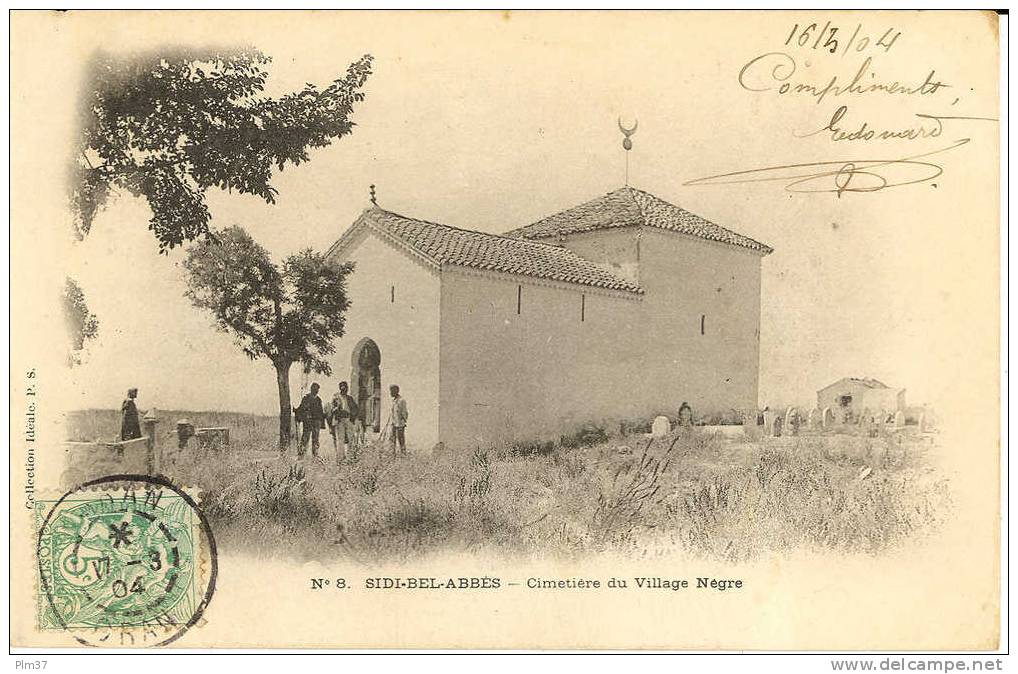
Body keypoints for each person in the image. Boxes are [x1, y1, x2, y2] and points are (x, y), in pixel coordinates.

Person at [330, 381, 360, 463]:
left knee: (351, 438)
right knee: (340, 439)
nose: (344, 389)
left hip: (348, 419)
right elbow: (332, 409)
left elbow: (356, 409)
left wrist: (352, 416)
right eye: (342, 387)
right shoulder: (336, 397)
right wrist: (338, 409)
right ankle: (340, 458)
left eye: (345, 387)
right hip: (339, 420)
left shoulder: (349, 398)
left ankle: (350, 457)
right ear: (340, 388)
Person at [295, 383, 326, 459]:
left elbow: (321, 411)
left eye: (317, 389)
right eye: (314, 388)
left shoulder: (318, 399)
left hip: (316, 422)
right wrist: (297, 412)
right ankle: (301, 455)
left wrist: (321, 422)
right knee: (305, 438)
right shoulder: (306, 398)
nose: (316, 390)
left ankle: (315, 455)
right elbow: (302, 408)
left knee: (315, 439)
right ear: (311, 389)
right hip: (308, 421)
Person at [388, 384, 409, 456]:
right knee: (392, 440)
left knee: (401, 440)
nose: (390, 393)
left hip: (400, 424)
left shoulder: (401, 400)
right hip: (393, 424)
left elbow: (405, 413)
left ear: (396, 391)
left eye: (392, 391)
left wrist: (402, 422)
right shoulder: (394, 401)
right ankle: (392, 455)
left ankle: (403, 454)